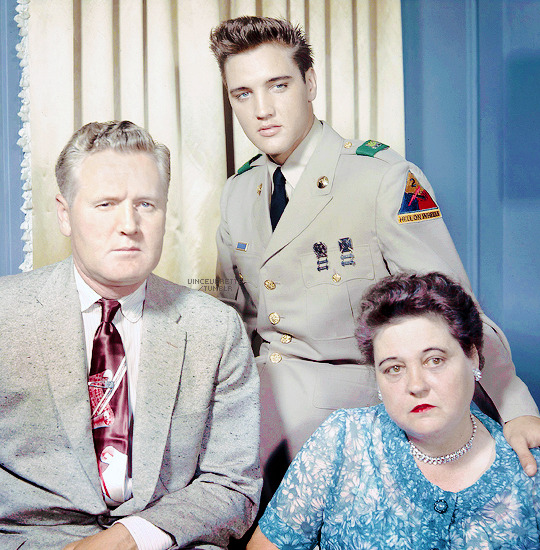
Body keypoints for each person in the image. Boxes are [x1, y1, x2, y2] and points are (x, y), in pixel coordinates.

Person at [209, 15, 540, 497]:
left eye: (278, 85)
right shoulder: (237, 193)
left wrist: (516, 405)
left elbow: (456, 311)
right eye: (243, 94)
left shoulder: (381, 178)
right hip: (258, 401)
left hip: (350, 411)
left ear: (310, 83)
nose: (262, 109)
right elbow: (231, 321)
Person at [0, 121, 261, 550]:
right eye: (105, 204)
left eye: (146, 204)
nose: (129, 224)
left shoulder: (213, 328)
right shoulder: (7, 316)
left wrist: (132, 537)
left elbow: (234, 485)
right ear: (64, 214)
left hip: (166, 541)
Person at [248, 273, 540, 549]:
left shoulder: (527, 469)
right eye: (394, 368)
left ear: (473, 358)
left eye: (434, 360)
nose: (416, 385)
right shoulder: (343, 440)